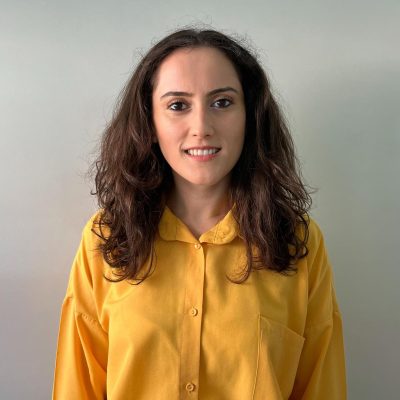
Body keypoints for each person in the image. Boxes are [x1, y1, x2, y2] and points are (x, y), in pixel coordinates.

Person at [52, 29, 347, 399]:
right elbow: (77, 387)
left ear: (250, 117)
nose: (202, 128)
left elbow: (321, 386)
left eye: (222, 102)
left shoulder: (297, 242)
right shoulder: (108, 238)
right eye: (178, 105)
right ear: (149, 123)